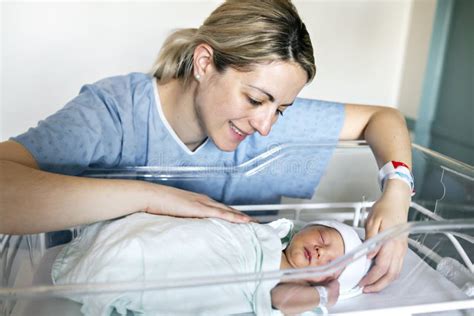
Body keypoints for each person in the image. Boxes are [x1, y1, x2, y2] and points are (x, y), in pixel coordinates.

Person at [0, 0, 413, 293]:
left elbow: (384, 118)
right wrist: (153, 197)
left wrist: (397, 189)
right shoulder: (115, 112)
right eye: (254, 99)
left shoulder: (264, 120)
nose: (265, 127)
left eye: (281, 109)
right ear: (203, 63)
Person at [51, 213, 370, 315]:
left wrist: (324, 296)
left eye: (333, 261)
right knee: (157, 241)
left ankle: (120, 262)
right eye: (324, 237)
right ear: (305, 228)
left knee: (148, 268)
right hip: (211, 245)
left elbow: (277, 300)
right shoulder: (264, 235)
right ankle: (123, 247)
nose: (321, 250)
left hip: (219, 278)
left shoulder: (291, 285)